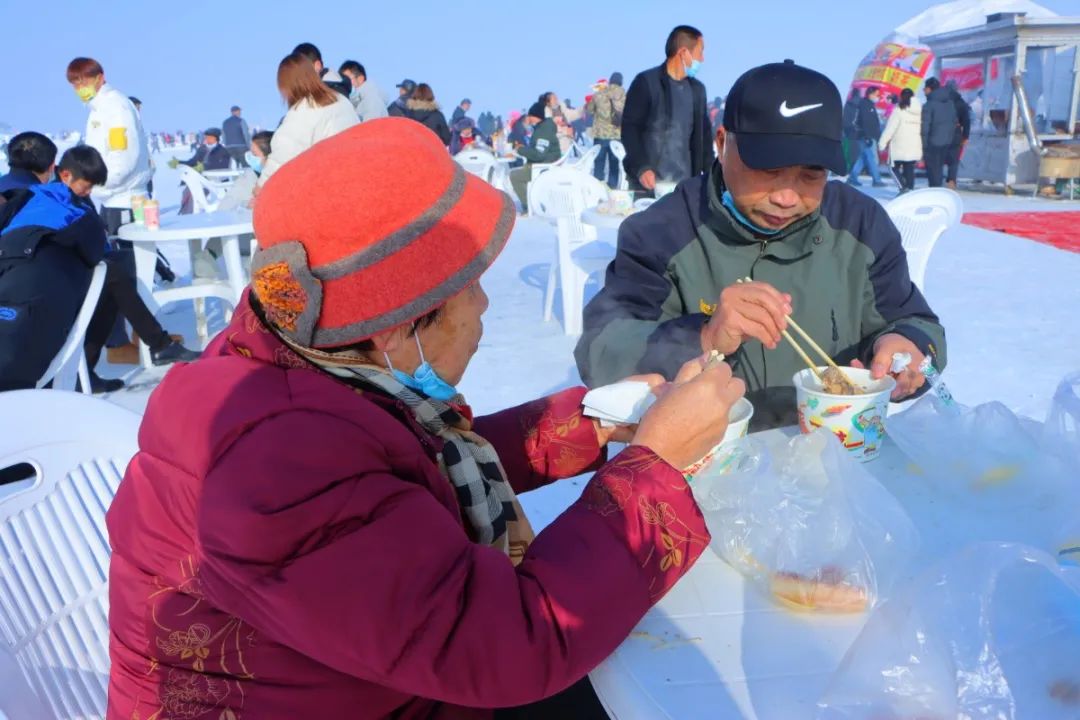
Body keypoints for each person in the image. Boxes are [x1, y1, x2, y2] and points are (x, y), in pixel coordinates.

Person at [105, 117, 745, 719]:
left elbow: (400, 473)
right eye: (470, 286)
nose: (486, 303)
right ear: (396, 326)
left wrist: (594, 421)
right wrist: (653, 469)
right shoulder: (277, 472)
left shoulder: (295, 360)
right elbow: (507, 645)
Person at [576, 60, 947, 431]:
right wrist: (703, 336)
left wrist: (909, 349)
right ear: (722, 143)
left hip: (837, 446)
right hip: (707, 446)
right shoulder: (662, 231)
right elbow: (599, 354)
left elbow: (918, 325)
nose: (786, 197)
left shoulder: (859, 223)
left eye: (811, 175)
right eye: (768, 171)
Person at [0, 144, 198, 393]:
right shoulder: (78, 210)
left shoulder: (25, 196)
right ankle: (153, 345)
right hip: (45, 278)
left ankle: (147, 348)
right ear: (65, 174)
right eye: (87, 185)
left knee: (111, 274)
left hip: (8, 263)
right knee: (111, 272)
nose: (88, 192)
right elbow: (95, 253)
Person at [65, 57, 152, 236]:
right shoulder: (98, 108)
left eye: (84, 82)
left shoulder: (116, 107)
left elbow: (123, 156)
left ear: (100, 78)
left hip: (126, 201)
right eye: (75, 84)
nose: (80, 88)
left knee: (129, 250)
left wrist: (93, 184)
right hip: (111, 199)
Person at [621, 25, 712, 194]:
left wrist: (710, 177)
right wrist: (642, 167)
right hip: (649, 185)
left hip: (685, 186)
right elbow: (630, 129)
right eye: (700, 52)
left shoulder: (697, 90)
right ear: (683, 52)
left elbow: (704, 138)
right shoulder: (646, 83)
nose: (703, 59)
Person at [257, 52, 359, 186]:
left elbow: (282, 156)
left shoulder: (304, 111)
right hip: (354, 176)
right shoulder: (341, 100)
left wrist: (261, 186)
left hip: (328, 184)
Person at [509, 101, 561, 212]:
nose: (529, 118)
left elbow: (538, 154)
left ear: (535, 116)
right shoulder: (544, 127)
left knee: (514, 176)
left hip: (544, 167)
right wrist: (524, 149)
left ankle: (529, 206)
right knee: (520, 171)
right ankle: (531, 202)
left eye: (530, 116)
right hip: (547, 163)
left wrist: (520, 150)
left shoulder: (543, 131)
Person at [586, 72, 626, 188]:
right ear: (621, 81)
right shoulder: (624, 94)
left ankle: (598, 187)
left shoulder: (599, 93)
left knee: (599, 163)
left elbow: (589, 110)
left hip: (600, 135)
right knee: (614, 164)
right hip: (617, 135)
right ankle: (612, 188)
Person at [879, 88, 922, 193]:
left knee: (892, 168)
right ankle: (910, 190)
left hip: (900, 145)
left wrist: (882, 143)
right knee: (909, 168)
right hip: (914, 145)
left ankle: (903, 189)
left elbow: (890, 128)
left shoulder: (899, 110)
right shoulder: (919, 111)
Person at [921, 77, 959, 188]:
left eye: (925, 89)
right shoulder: (950, 103)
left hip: (932, 142)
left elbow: (925, 127)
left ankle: (935, 191)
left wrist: (924, 144)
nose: (924, 91)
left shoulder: (929, 105)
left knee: (933, 170)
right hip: (947, 141)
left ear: (929, 89)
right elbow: (953, 122)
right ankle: (938, 190)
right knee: (939, 168)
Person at [847, 87, 886, 187]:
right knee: (871, 158)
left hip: (868, 136)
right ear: (870, 94)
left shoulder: (870, 104)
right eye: (877, 95)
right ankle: (877, 180)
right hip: (865, 136)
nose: (878, 97)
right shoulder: (865, 104)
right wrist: (867, 136)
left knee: (863, 158)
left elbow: (873, 122)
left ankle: (852, 178)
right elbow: (865, 121)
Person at [944, 81, 971, 189]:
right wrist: (965, 136)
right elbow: (966, 121)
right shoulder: (961, 103)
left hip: (939, 132)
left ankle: (935, 181)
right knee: (954, 159)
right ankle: (951, 180)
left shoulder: (941, 101)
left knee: (938, 157)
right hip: (955, 132)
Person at [841, 88, 861, 173]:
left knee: (846, 151)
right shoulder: (861, 104)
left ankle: (845, 168)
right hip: (857, 132)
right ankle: (853, 169)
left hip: (847, 131)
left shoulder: (847, 104)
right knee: (857, 152)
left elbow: (844, 119)